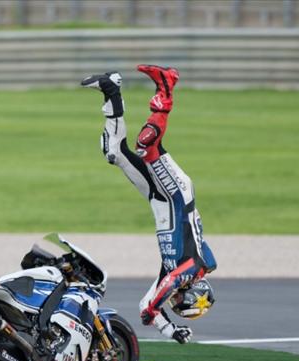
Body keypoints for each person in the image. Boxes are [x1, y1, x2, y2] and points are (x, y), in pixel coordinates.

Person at [80, 65, 217, 344]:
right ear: (193, 291)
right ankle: (166, 85)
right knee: (147, 145)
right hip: (177, 195)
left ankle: (111, 88)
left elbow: (146, 308)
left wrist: (171, 330)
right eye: (179, 301)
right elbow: (169, 286)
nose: (174, 300)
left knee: (114, 152)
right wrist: (159, 305)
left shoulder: (176, 274)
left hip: (157, 198)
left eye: (174, 304)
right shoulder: (195, 267)